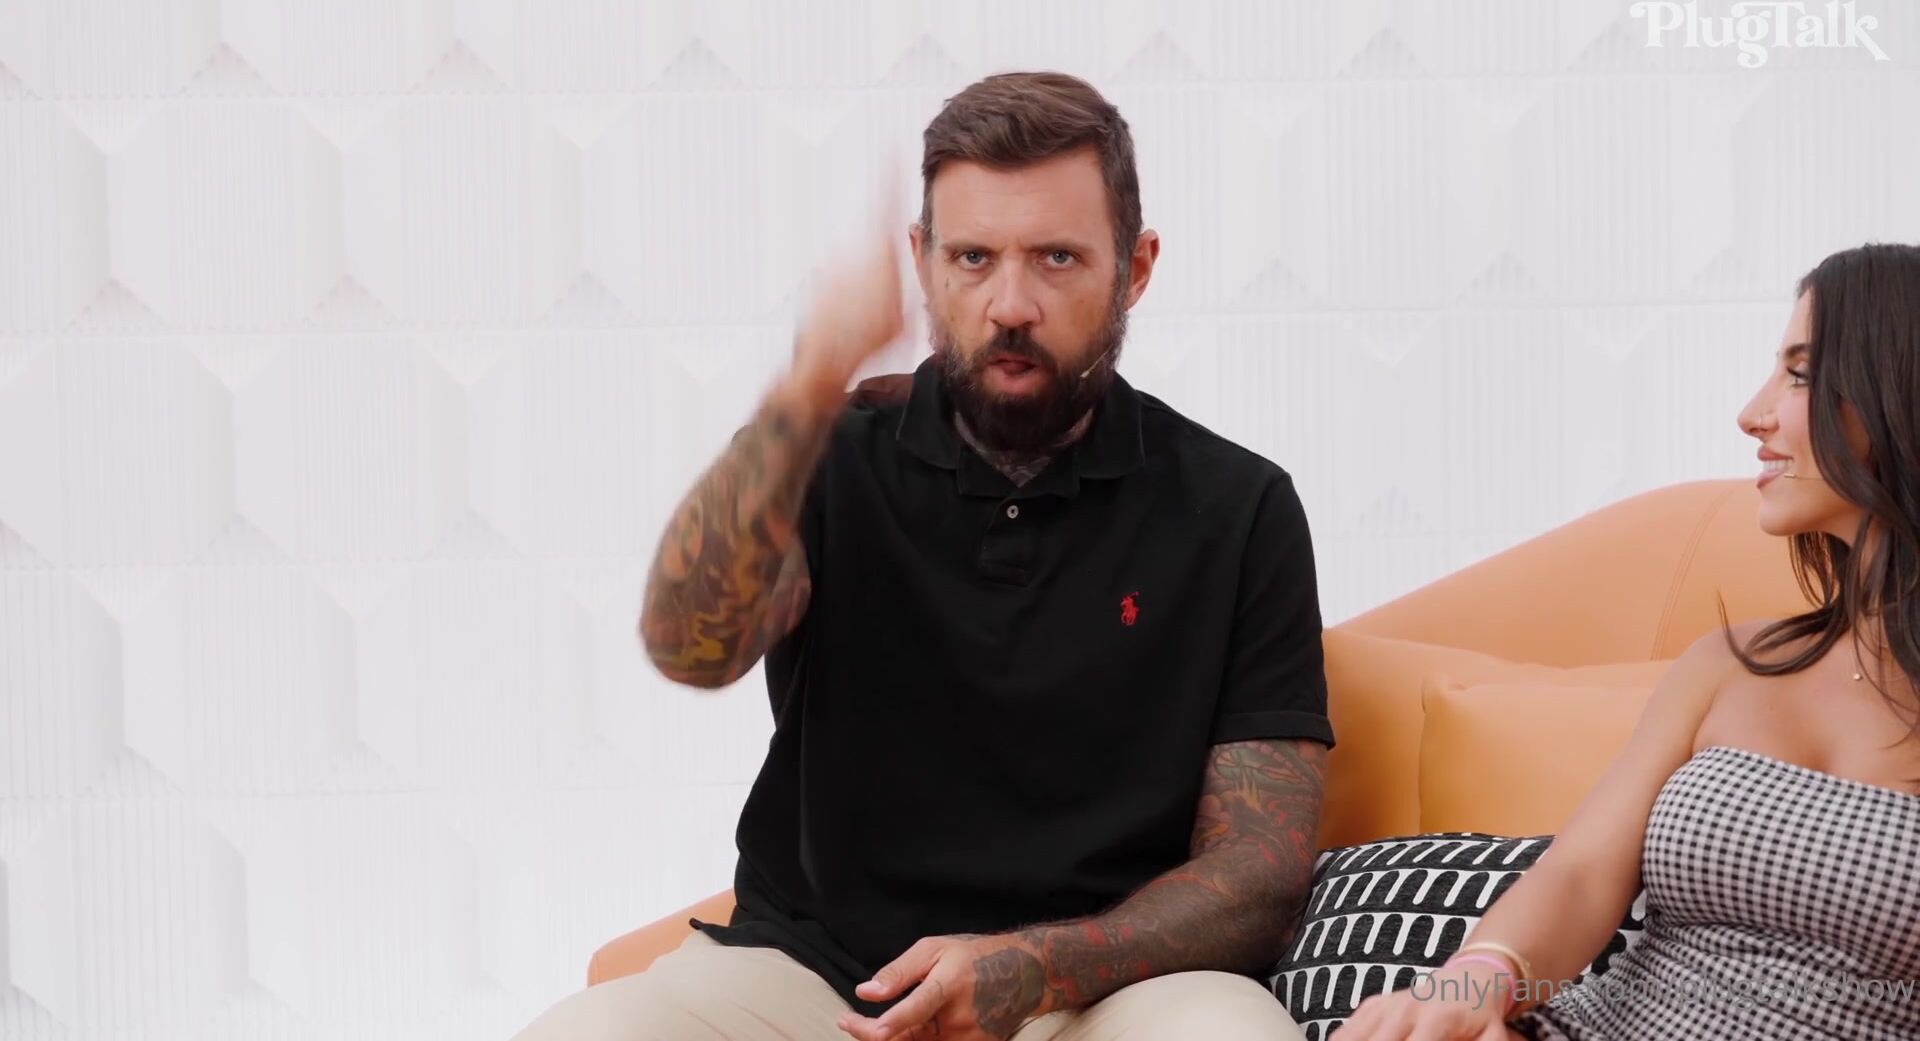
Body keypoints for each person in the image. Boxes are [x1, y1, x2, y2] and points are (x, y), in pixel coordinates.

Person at [509, 71, 1332, 1041]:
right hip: (814, 981)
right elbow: (690, 645)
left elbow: (1260, 873)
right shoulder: (825, 458)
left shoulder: (1239, 508)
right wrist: (811, 380)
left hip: (1100, 989)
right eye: (973, 258)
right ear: (923, 263)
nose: (1011, 304)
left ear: (1136, 268)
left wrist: (1036, 967)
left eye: (1058, 258)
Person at [1339, 242, 1920, 1041]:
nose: (1753, 414)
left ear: (1895, 390)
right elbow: (1580, 876)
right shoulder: (1728, 665)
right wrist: (1473, 984)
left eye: (1800, 373)